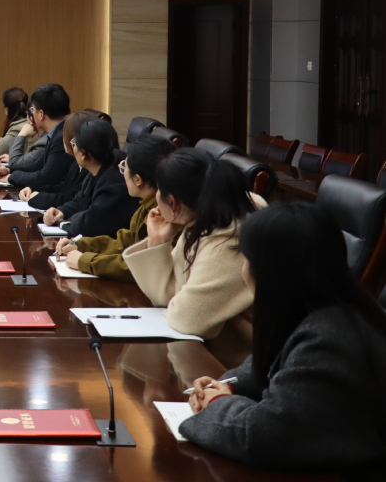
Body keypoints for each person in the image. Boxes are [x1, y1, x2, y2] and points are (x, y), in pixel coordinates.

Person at [180, 203, 386, 479]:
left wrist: (217, 404)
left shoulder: (329, 342)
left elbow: (262, 437)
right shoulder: (328, 307)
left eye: (247, 260)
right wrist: (229, 385)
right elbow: (277, 362)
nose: (243, 270)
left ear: (271, 273)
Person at [123, 148, 264, 339]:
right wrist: (158, 241)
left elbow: (186, 318)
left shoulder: (225, 244)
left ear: (173, 202)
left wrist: (175, 305)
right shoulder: (205, 216)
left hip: (242, 349)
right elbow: (168, 295)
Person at [53, 135, 175, 281]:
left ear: (137, 180)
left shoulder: (166, 215)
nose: (122, 173)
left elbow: (138, 266)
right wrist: (81, 245)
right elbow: (122, 243)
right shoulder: (145, 206)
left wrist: (86, 261)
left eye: (124, 168)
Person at [43, 118, 139, 238]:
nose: (72, 147)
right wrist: (61, 211)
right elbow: (80, 200)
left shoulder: (115, 181)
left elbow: (90, 224)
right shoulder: (99, 167)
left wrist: (63, 222)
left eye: (74, 143)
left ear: (83, 154)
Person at [0, 83, 74, 193]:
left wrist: (12, 177)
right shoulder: (57, 132)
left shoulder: (62, 137)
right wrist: (8, 170)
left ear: (41, 114)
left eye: (32, 109)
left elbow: (45, 178)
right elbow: (38, 165)